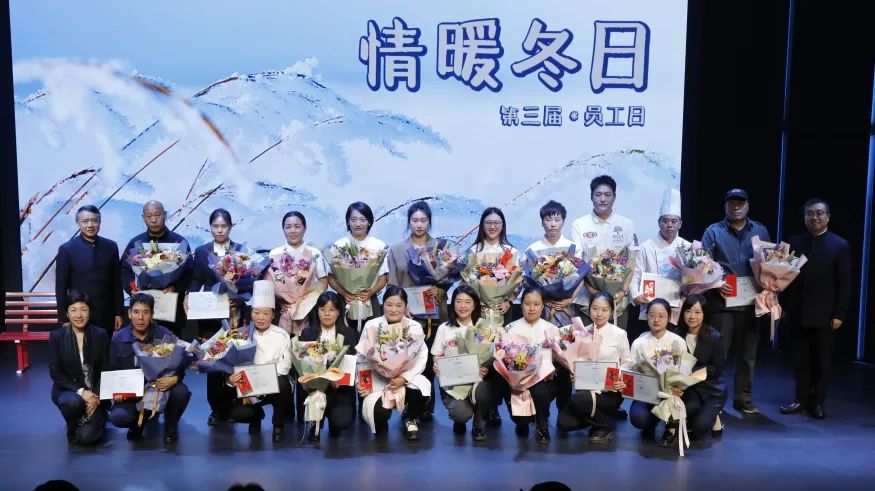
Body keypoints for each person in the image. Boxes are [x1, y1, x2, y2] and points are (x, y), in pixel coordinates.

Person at [779, 198, 851, 420]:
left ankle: (817, 402)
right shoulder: (795, 242)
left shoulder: (839, 245)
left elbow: (845, 284)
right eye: (810, 213)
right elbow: (784, 277)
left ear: (828, 217)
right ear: (804, 217)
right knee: (800, 360)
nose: (815, 217)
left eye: (819, 213)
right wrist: (783, 306)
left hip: (824, 314)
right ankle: (800, 400)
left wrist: (839, 314)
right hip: (797, 312)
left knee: (822, 362)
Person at [701, 188, 771, 414]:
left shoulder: (760, 231)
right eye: (732, 203)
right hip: (722, 303)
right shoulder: (713, 231)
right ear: (726, 206)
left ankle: (743, 397)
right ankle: (714, 398)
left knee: (748, 355)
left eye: (741, 203)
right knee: (719, 354)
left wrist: (770, 283)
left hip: (751, 303)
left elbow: (769, 264)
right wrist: (717, 282)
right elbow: (701, 265)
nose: (736, 207)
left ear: (748, 206)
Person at [388, 201, 451, 421]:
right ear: (409, 222)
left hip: (434, 315)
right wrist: (401, 308)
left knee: (430, 361)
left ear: (429, 222)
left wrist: (440, 290)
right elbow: (393, 284)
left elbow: (448, 280)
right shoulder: (397, 249)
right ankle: (408, 405)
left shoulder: (440, 248)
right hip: (406, 316)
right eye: (415, 220)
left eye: (423, 220)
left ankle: (426, 405)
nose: (419, 224)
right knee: (407, 361)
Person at [524, 200, 586, 414]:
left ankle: (564, 407)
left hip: (566, 311)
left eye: (557, 219)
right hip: (544, 312)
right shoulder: (533, 249)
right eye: (548, 219)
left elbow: (580, 279)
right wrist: (543, 300)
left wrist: (569, 299)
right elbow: (528, 283)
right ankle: (541, 409)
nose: (552, 223)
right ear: (542, 222)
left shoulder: (573, 247)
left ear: (563, 221)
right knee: (543, 355)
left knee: (566, 355)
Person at [185, 208, 245, 426]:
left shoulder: (240, 251)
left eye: (223, 226)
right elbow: (196, 279)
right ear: (210, 227)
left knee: (233, 359)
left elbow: (246, 283)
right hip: (210, 314)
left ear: (231, 227)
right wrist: (189, 296)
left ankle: (232, 406)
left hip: (235, 313)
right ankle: (216, 409)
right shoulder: (202, 251)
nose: (219, 230)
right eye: (215, 226)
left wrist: (238, 299)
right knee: (213, 359)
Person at [108, 293, 191, 444]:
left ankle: (170, 426)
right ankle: (138, 424)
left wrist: (176, 378)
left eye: (145, 312)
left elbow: (179, 363)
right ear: (129, 313)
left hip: (160, 388)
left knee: (181, 392)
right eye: (136, 312)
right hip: (133, 392)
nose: (140, 318)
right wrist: (116, 390)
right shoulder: (118, 338)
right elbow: (112, 370)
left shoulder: (165, 334)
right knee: (119, 416)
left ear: (152, 314)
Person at [556, 292, 632, 443]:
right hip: (585, 388)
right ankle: (601, 417)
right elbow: (572, 358)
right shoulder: (581, 332)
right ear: (589, 309)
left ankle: (605, 425)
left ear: (611, 311)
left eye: (604, 310)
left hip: (609, 391)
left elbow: (627, 362)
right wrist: (573, 370)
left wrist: (620, 377)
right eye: (595, 308)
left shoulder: (619, 334)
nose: (599, 314)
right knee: (563, 424)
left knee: (578, 400)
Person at [355, 286, 430, 440]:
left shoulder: (414, 327)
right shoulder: (372, 325)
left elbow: (422, 357)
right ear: (383, 305)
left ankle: (409, 417)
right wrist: (362, 383)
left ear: (406, 306)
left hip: (404, 378)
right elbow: (362, 358)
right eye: (389, 305)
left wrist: (404, 378)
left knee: (422, 389)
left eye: (398, 305)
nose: (393, 309)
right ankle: (382, 420)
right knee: (378, 415)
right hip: (378, 379)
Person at [431, 285, 500, 441]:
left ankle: (478, 426)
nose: (463, 306)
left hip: (478, 381)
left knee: (482, 390)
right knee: (461, 415)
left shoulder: (484, 328)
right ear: (453, 303)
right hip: (453, 384)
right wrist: (438, 365)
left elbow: (493, 355)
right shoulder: (444, 328)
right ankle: (459, 419)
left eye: (468, 302)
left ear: (475, 305)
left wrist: (486, 368)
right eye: (459, 301)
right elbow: (436, 355)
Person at [570, 175, 639, 329]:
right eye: (598, 194)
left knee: (615, 342)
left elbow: (631, 262)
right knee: (584, 342)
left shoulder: (627, 224)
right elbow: (577, 263)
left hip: (617, 302)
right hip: (586, 301)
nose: (602, 199)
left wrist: (623, 291)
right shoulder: (579, 224)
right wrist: (592, 290)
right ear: (591, 197)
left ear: (614, 197)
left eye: (607, 195)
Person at [228, 281, 293, 442]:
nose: (261, 317)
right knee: (238, 413)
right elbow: (232, 364)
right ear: (251, 314)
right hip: (248, 386)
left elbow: (284, 366)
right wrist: (232, 380)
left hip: (274, 383)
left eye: (265, 313)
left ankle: (278, 425)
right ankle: (255, 418)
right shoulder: (241, 334)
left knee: (284, 384)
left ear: (273, 315)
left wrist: (263, 379)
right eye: (256, 312)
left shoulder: (282, 335)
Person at [119, 200, 192, 336]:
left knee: (171, 345)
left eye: (157, 215)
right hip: (143, 310)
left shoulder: (179, 242)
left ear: (165, 215)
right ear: (143, 218)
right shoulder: (137, 243)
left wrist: (176, 287)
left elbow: (189, 272)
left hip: (171, 307)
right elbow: (124, 270)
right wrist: (132, 289)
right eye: (149, 216)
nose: (153, 220)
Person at [499, 286, 559, 443]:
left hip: (543, 379)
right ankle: (522, 421)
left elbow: (558, 358)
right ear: (521, 304)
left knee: (540, 391)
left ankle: (542, 425)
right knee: (522, 420)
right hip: (516, 382)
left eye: (536, 304)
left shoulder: (551, 329)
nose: (531, 308)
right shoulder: (510, 329)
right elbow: (504, 361)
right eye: (527, 304)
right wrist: (519, 384)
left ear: (543, 306)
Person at [49, 290, 110, 445]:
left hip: (95, 393)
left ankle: (98, 418)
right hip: (70, 391)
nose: (79, 315)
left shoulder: (100, 335)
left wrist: (95, 397)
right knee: (72, 402)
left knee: (86, 438)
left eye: (83, 310)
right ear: (67, 313)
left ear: (90, 312)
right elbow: (56, 373)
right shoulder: (57, 336)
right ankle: (72, 423)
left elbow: (105, 370)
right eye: (73, 310)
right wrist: (82, 392)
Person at [297, 291, 360, 440]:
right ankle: (315, 423)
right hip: (314, 388)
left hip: (339, 388)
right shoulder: (307, 334)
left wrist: (338, 377)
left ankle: (333, 421)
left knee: (341, 422)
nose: (327, 314)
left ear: (338, 312)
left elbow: (353, 364)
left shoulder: (349, 334)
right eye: (323, 309)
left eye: (331, 310)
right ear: (317, 311)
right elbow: (302, 364)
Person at [629, 188, 690, 338]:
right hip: (651, 308)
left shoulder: (688, 247)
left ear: (680, 224)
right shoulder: (646, 246)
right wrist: (635, 295)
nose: (669, 225)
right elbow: (635, 275)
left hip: (678, 307)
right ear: (659, 223)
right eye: (665, 220)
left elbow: (693, 279)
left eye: (674, 221)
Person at [55, 205, 124, 333]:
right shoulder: (67, 249)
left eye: (94, 221)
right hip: (79, 314)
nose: (90, 225)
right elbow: (61, 288)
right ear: (78, 223)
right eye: (85, 221)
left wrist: (119, 313)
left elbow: (116, 283)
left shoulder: (111, 246)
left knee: (105, 345)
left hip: (106, 312)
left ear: (100, 222)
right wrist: (64, 318)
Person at [629, 298, 687, 446]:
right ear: (646, 316)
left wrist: (680, 387)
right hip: (647, 393)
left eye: (661, 316)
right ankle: (652, 421)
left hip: (671, 393)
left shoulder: (678, 341)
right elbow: (631, 371)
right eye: (652, 315)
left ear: (669, 317)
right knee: (638, 418)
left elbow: (685, 369)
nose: (656, 320)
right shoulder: (639, 343)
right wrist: (638, 368)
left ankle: (671, 427)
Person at [673, 294, 727, 440]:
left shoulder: (714, 337)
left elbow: (716, 369)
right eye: (688, 311)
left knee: (699, 429)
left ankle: (715, 415)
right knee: (685, 413)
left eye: (697, 312)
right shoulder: (677, 335)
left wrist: (690, 374)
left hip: (710, 389)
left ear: (704, 314)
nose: (692, 316)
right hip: (689, 389)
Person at [267, 211, 329, 337]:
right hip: (283, 310)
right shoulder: (274, 254)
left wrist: (305, 302)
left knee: (307, 344)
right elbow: (271, 283)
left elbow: (323, 282)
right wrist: (281, 302)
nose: (293, 231)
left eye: (297, 226)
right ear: (283, 229)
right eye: (288, 227)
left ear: (305, 228)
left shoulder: (314, 253)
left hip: (308, 310)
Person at [327, 201, 389, 326]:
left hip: (370, 300)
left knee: (373, 334)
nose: (358, 224)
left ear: (369, 222)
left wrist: (370, 292)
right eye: (353, 220)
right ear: (348, 222)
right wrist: (344, 293)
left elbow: (383, 278)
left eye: (362, 219)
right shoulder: (338, 246)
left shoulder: (379, 246)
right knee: (344, 335)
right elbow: (330, 277)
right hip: (344, 301)